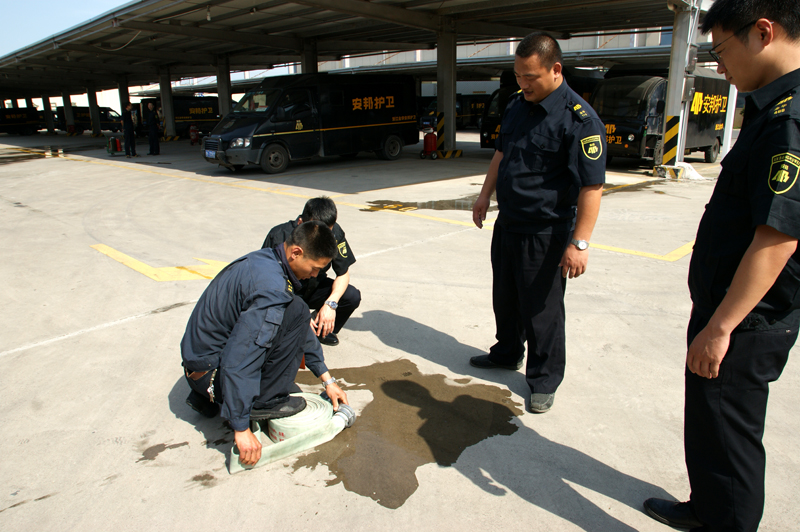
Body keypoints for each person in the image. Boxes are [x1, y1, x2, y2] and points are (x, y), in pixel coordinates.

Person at [643, 2, 800, 530]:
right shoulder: (770, 106)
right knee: (710, 422)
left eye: (720, 51)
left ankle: (724, 517)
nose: (719, 67)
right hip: (728, 309)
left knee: (730, 436)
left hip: (745, 321)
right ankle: (707, 509)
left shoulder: (791, 120)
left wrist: (722, 327)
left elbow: (777, 237)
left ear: (763, 32)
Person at [470, 32, 605, 414]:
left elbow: (592, 187)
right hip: (508, 223)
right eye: (518, 76)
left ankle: (544, 379)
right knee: (506, 297)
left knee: (542, 310)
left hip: (546, 231)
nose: (523, 84)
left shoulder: (580, 119)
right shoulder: (516, 105)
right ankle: (507, 352)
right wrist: (484, 195)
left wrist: (579, 243)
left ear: (555, 69)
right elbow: (501, 153)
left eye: (530, 77)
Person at [181, 221, 349, 467]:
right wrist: (240, 427)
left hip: (200, 364)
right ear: (296, 253)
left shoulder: (267, 259)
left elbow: (300, 323)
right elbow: (242, 357)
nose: (315, 275)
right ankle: (263, 401)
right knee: (288, 318)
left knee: (298, 309)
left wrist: (327, 380)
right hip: (209, 374)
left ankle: (209, 395)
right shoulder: (271, 289)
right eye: (315, 268)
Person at [262, 197, 361, 347]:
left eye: (327, 231)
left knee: (351, 296)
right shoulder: (279, 235)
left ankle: (320, 330)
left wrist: (330, 304)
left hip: (313, 286)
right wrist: (298, 312)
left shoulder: (335, 233)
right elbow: (267, 282)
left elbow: (343, 273)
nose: (323, 237)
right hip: (284, 292)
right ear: (301, 223)